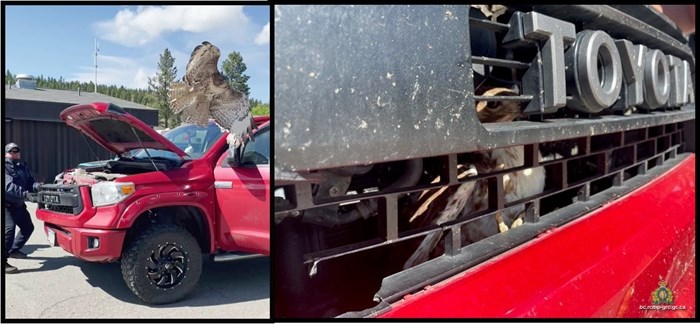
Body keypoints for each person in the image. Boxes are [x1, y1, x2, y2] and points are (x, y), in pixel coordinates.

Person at [4, 143, 42, 273]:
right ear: (6, 154)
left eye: (17, 151)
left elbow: (30, 181)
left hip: (19, 205)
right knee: (9, 230)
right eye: (11, 152)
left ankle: (14, 250)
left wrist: (37, 186)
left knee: (28, 228)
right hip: (6, 205)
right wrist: (25, 194)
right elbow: (8, 186)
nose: (15, 154)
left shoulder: (22, 166)